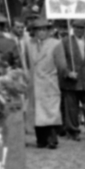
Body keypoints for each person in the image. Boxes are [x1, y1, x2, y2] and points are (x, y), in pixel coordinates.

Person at [53, 21, 85, 141]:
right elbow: (60, 61)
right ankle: (73, 130)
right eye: (77, 27)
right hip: (71, 81)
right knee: (71, 109)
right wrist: (67, 72)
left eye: (82, 27)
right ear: (73, 28)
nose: (79, 30)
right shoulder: (65, 42)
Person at [23, 19, 62, 149]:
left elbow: (61, 65)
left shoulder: (56, 44)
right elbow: (28, 63)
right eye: (38, 30)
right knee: (37, 113)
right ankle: (41, 139)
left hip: (49, 81)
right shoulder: (29, 44)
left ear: (49, 31)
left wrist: (63, 75)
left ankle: (52, 139)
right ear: (34, 31)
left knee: (50, 112)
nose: (41, 33)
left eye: (44, 30)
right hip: (34, 83)